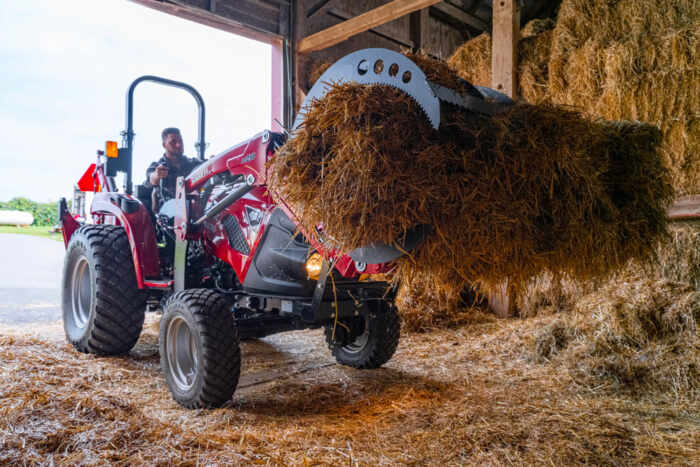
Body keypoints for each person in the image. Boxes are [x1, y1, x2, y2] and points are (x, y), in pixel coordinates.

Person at [142, 127, 201, 199]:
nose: (178, 145)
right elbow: (151, 178)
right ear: (164, 145)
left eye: (180, 141)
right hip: (167, 205)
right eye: (173, 142)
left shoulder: (194, 163)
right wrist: (157, 175)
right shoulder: (158, 166)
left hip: (194, 204)